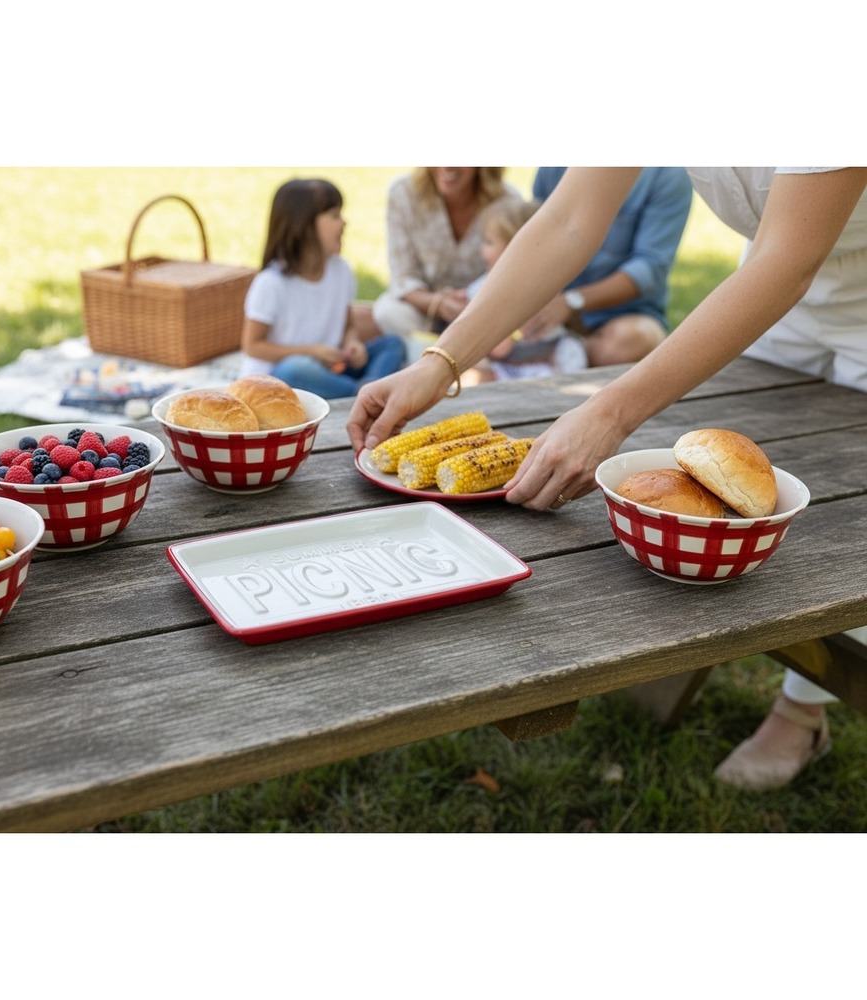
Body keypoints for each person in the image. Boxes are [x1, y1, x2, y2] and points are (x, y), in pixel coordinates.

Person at [348, 166, 867, 791]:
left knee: (853, 519)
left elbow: (790, 258)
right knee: (750, 495)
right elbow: (569, 218)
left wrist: (608, 412)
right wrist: (440, 362)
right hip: (778, 303)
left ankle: (801, 710)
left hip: (789, 275)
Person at [240, 177, 406, 399]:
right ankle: (364, 395)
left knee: (392, 344)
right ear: (304, 226)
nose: (344, 223)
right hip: (277, 380)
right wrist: (311, 351)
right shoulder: (271, 283)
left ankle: (364, 390)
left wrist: (352, 343)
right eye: (335, 215)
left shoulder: (341, 270)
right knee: (295, 368)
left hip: (331, 370)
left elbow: (348, 325)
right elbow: (253, 346)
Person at [521, 167, 693, 367]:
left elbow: (650, 269)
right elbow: (537, 235)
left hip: (626, 313)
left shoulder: (668, 174)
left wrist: (571, 301)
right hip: (554, 305)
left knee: (628, 342)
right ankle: (564, 357)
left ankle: (566, 355)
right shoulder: (554, 167)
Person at [368, 167, 524, 360]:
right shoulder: (403, 193)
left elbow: (518, 271)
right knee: (387, 310)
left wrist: (475, 309)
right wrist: (439, 304)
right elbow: (403, 277)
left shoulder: (508, 201)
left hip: (484, 310)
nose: (448, 166)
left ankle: (447, 360)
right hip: (426, 311)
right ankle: (448, 360)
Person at [461, 198, 588, 385]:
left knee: (573, 351)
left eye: (488, 242)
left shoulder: (547, 284)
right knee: (472, 374)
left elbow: (554, 327)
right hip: (503, 367)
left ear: (514, 249)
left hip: (545, 359)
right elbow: (495, 347)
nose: (482, 250)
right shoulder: (482, 288)